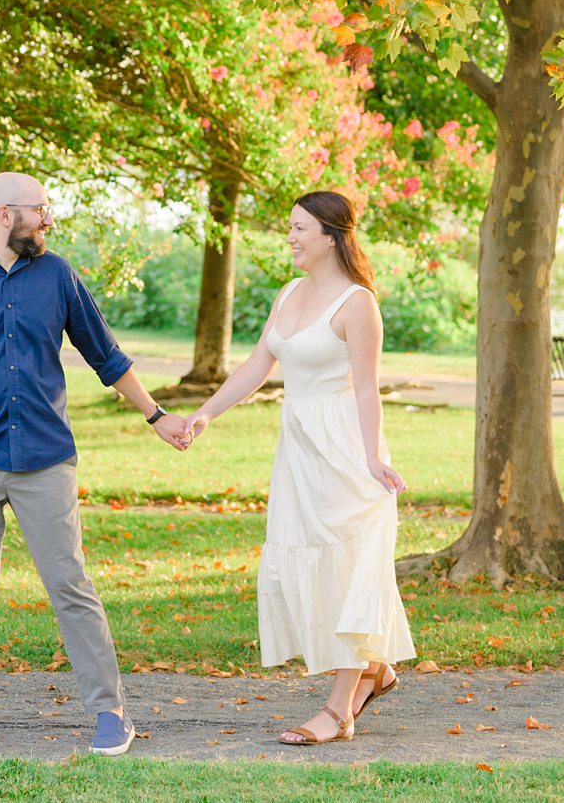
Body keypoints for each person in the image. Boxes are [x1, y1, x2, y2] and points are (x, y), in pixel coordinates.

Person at [0, 171, 191, 756]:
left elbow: (104, 354)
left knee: (69, 583)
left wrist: (156, 415)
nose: (49, 219)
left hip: (44, 459)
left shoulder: (58, 274)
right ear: (5, 215)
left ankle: (110, 710)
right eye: (41, 210)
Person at [177, 189, 414, 745]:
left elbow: (366, 389)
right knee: (307, 570)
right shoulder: (287, 293)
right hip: (299, 453)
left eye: (300, 228)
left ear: (331, 236)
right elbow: (259, 364)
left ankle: (339, 711)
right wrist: (206, 414)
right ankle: (374, 670)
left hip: (345, 451)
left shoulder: (358, 304)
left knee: (349, 569)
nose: (290, 237)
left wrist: (374, 457)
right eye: (290, 227)